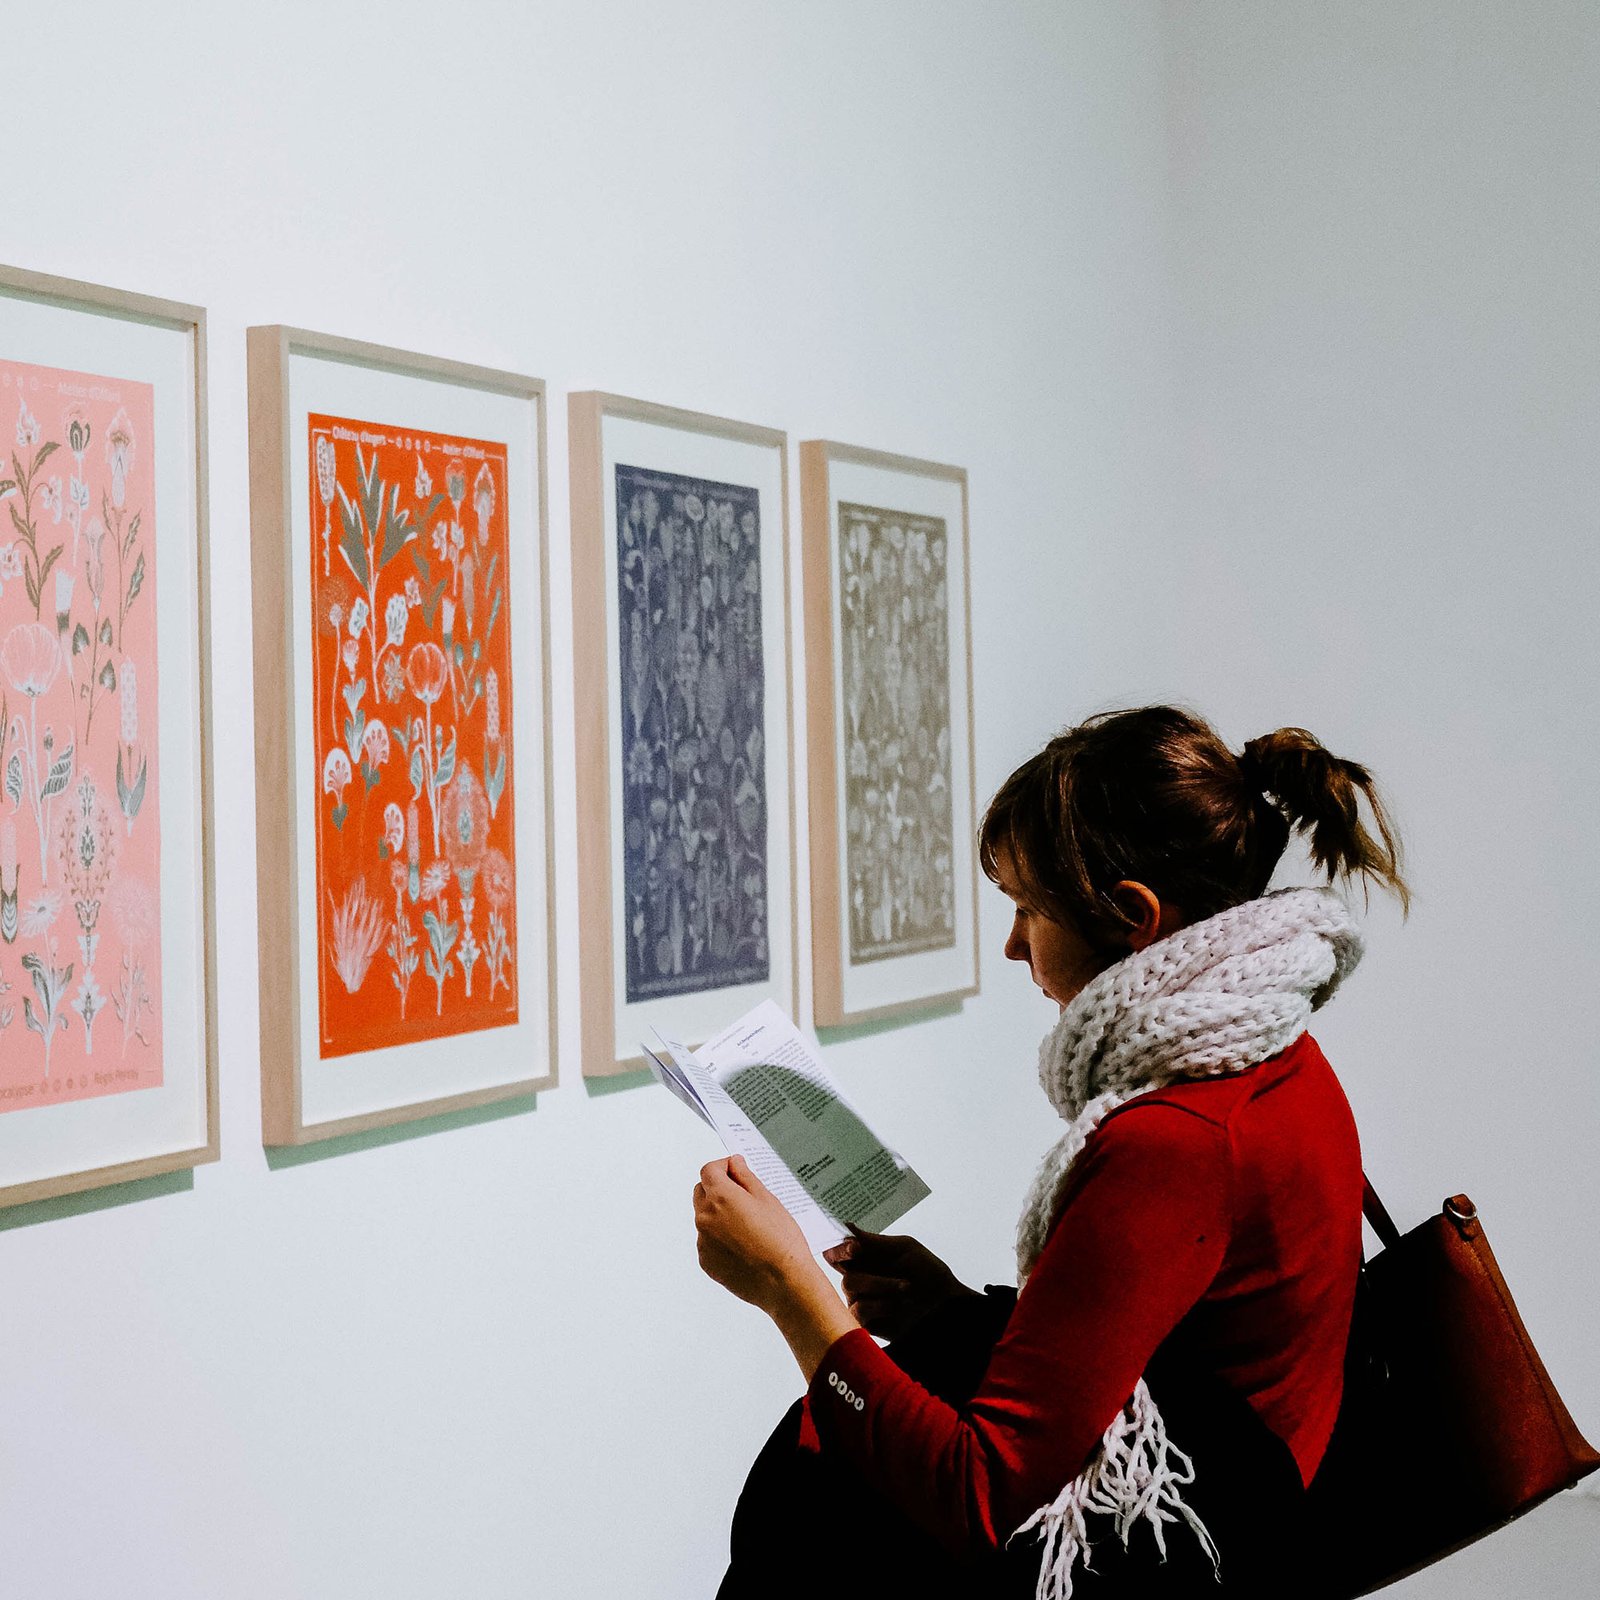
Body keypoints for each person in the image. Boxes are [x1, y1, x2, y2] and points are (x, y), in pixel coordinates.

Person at [693, 705, 1408, 1599]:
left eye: (1029, 908)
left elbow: (977, 1497)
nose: (1013, 944)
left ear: (1133, 916)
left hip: (1196, 1544)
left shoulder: (1174, 1139)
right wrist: (951, 1311)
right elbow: (1176, 1342)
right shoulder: (1272, 1055)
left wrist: (787, 1287)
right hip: (1248, 1495)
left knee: (805, 1515)